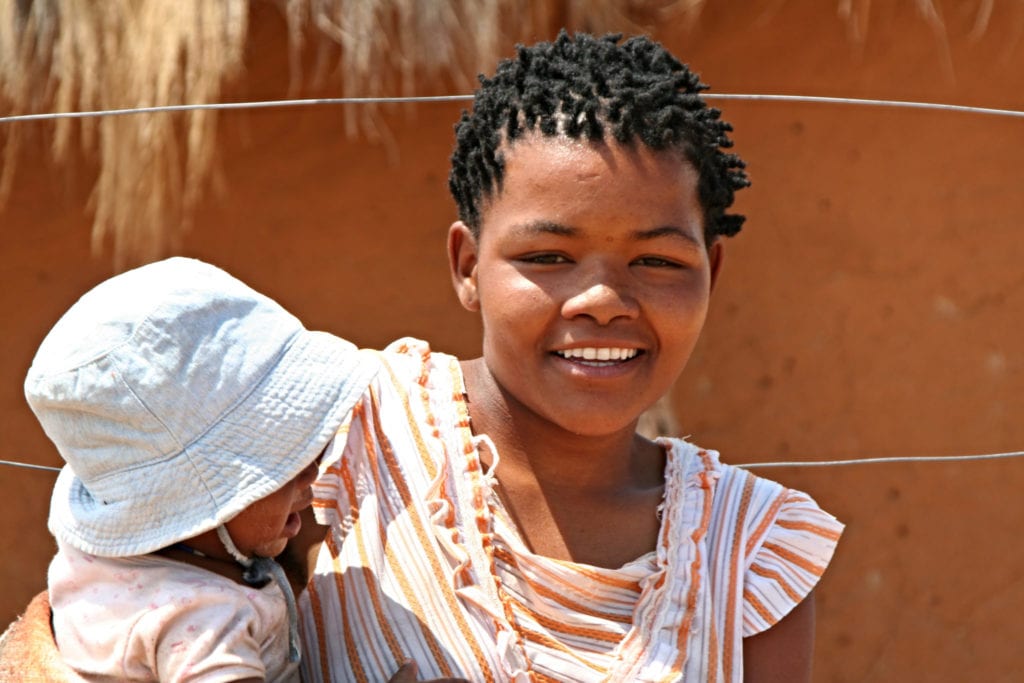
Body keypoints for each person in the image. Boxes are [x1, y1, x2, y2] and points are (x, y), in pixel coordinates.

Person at [286, 31, 844, 682]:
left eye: (657, 261)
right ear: (468, 266)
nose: (604, 300)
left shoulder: (750, 550)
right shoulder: (351, 442)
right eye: (548, 257)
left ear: (711, 275)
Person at [20, 257, 379, 682]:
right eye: (282, 459)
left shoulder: (98, 560)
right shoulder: (203, 627)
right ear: (194, 505)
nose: (314, 470)